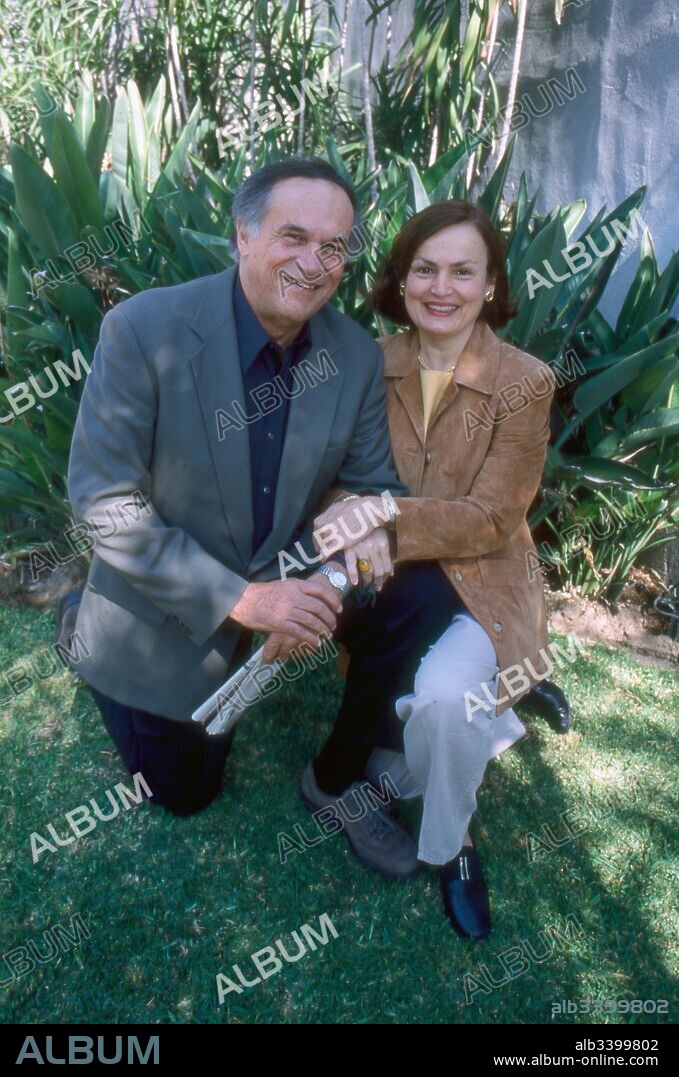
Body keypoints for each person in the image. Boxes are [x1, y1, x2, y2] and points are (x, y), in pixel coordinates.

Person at [65, 157, 461, 879]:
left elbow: (370, 485)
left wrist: (344, 568)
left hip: (287, 567)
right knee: (185, 793)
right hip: (166, 613)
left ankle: (341, 772)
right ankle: (76, 618)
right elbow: (102, 499)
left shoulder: (351, 355)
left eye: (334, 247)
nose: (314, 263)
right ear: (242, 236)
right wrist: (247, 602)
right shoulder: (142, 329)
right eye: (293, 236)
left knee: (422, 591)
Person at [312, 200, 563, 938]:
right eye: (424, 268)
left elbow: (490, 517)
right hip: (388, 578)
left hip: (482, 581)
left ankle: (449, 841)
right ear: (400, 277)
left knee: (447, 699)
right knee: (442, 707)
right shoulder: (368, 361)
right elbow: (331, 475)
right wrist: (344, 509)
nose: (441, 287)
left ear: (490, 284)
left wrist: (381, 516)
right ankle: (456, 741)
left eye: (463, 270)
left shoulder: (525, 379)